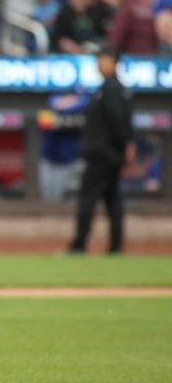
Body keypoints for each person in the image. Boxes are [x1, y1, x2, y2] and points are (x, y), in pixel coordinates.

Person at [68, 46, 133, 255]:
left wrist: (124, 147)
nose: (98, 64)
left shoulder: (110, 89)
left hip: (102, 154)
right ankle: (115, 247)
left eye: (103, 59)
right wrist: (125, 148)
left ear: (113, 62)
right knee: (113, 201)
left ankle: (79, 245)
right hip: (111, 154)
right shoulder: (112, 88)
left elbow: (118, 122)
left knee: (89, 199)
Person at [40, 91, 89, 202]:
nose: (66, 102)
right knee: (48, 198)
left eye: (71, 99)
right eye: (65, 99)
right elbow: (52, 104)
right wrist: (64, 105)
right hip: (49, 160)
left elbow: (84, 103)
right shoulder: (50, 110)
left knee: (67, 199)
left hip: (70, 162)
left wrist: (70, 106)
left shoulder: (83, 109)